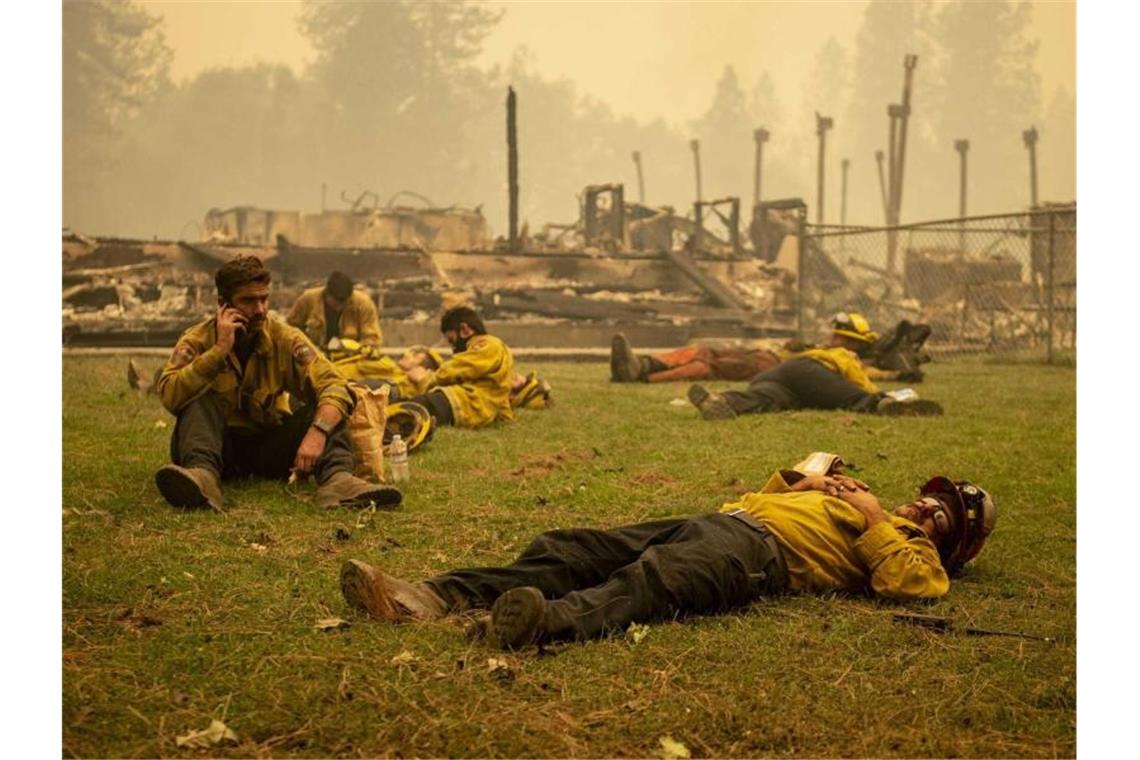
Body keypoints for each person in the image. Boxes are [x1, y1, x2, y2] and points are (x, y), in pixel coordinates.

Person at [337, 458, 995, 650]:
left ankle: (541, 623)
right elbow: (753, 498)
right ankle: (426, 596)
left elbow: (910, 589)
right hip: (725, 522)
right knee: (573, 548)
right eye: (928, 500)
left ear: (950, 542)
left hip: (757, 558)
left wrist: (877, 518)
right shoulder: (859, 501)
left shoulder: (912, 551)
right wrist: (808, 484)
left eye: (940, 516)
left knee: (650, 580)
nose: (923, 509)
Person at [153, 255, 402, 511]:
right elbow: (170, 396)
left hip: (269, 447)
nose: (260, 309)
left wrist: (317, 433)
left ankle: (339, 482)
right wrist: (218, 352)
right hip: (216, 449)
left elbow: (335, 385)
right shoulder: (198, 339)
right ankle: (202, 480)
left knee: (327, 406)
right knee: (198, 398)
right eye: (248, 301)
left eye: (264, 299)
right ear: (222, 305)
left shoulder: (284, 338)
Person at [610, 312, 928, 384]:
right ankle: (645, 364)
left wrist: (898, 378)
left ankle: (640, 378)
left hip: (769, 367)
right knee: (703, 350)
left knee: (713, 368)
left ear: (852, 342)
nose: (834, 339)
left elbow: (874, 374)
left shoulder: (849, 360)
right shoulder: (822, 347)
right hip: (767, 356)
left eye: (840, 336)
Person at [401, 306, 515, 429]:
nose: (453, 347)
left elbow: (460, 367)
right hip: (472, 408)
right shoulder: (496, 349)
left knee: (409, 409)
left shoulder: (490, 344)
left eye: (452, 340)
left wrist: (426, 378)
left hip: (464, 404)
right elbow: (499, 392)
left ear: (464, 330)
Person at [286, 271, 383, 353]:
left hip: (350, 359)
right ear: (327, 293)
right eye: (337, 302)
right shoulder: (308, 300)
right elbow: (290, 329)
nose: (339, 307)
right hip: (314, 357)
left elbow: (373, 340)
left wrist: (352, 348)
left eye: (344, 302)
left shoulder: (363, 304)